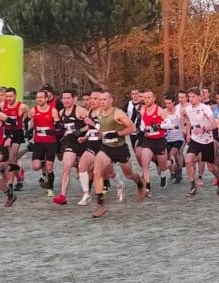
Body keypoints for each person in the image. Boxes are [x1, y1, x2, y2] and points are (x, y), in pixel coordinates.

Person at [91, 89, 146, 218]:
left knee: (128, 174)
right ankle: (101, 205)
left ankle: (139, 182)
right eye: (100, 100)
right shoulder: (98, 112)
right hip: (106, 147)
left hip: (120, 148)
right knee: (96, 172)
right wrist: (100, 133)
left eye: (104, 100)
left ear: (111, 100)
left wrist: (116, 133)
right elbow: (101, 127)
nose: (102, 102)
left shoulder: (118, 113)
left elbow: (132, 128)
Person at [53, 89, 89, 205]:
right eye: (64, 98)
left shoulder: (80, 111)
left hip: (83, 142)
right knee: (66, 167)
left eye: (69, 98)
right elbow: (65, 128)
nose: (66, 100)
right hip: (70, 142)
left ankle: (96, 188)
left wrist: (80, 131)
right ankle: (62, 196)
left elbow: (93, 124)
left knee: (91, 169)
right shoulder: (61, 112)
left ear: (74, 99)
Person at [182, 87, 219, 196]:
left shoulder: (205, 108)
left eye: (193, 96)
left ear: (199, 97)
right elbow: (188, 119)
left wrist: (203, 129)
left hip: (207, 140)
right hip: (195, 139)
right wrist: (189, 133)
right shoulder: (188, 109)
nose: (191, 99)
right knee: (188, 160)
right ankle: (193, 185)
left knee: (211, 168)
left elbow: (214, 125)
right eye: (189, 97)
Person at [28, 90, 61, 197]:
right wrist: (28, 131)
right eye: (37, 97)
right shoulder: (33, 111)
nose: (39, 99)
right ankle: (43, 167)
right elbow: (30, 124)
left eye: (42, 97)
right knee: (36, 166)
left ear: (46, 99)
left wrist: (54, 131)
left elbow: (59, 126)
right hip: (38, 142)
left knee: (50, 167)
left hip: (51, 142)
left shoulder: (53, 110)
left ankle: (50, 188)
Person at [139, 88, 171, 196]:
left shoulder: (160, 110)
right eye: (145, 98)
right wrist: (143, 129)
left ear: (154, 98)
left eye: (149, 98)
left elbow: (169, 124)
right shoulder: (142, 110)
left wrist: (158, 126)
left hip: (159, 141)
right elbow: (143, 124)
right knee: (145, 163)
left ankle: (171, 163)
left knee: (163, 166)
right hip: (148, 140)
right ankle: (147, 188)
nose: (146, 100)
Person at [1, 87, 29, 191]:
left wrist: (26, 124)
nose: (9, 98)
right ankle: (20, 178)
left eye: (11, 96)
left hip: (17, 133)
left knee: (12, 158)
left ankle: (10, 184)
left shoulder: (22, 106)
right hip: (7, 133)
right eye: (7, 96)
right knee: (10, 159)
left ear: (15, 96)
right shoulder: (2, 105)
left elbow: (30, 115)